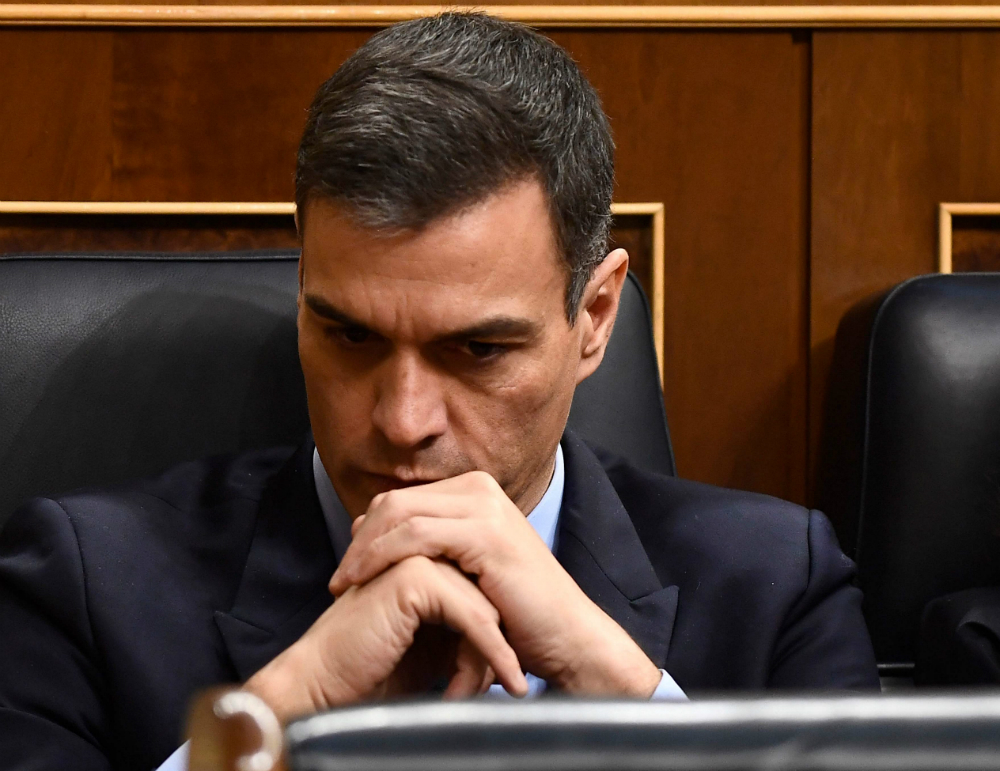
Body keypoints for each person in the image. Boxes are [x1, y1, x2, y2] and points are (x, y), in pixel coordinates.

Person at [0, 12, 879, 771]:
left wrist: (621, 687)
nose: (403, 422)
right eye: (350, 336)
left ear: (596, 316)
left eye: (478, 349)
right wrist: (284, 708)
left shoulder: (776, 586)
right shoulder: (85, 584)